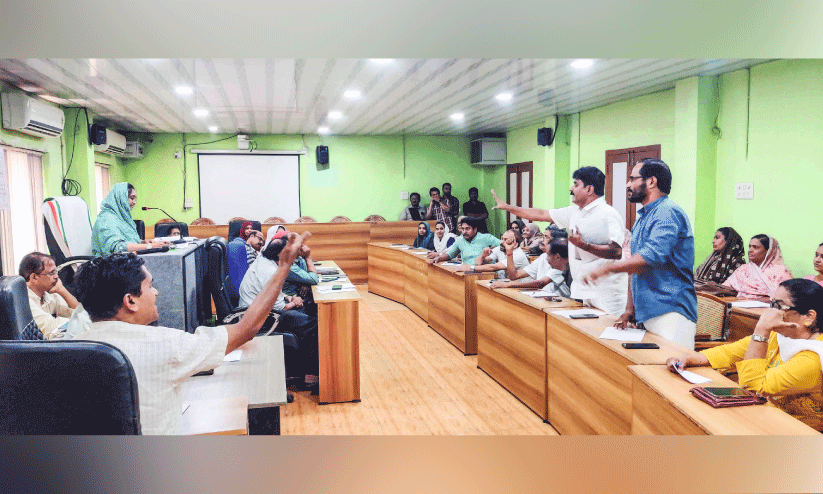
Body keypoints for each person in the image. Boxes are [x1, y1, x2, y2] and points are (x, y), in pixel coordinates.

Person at [70, 231, 309, 435]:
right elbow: (246, 329)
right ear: (130, 301)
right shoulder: (164, 345)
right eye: (150, 286)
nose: (156, 292)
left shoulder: (68, 348)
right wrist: (283, 267)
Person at [666, 278, 823, 432]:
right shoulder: (782, 336)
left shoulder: (814, 357)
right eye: (772, 304)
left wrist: (761, 330)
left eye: (779, 306)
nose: (770, 313)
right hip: (764, 416)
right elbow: (729, 352)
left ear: (809, 317)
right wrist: (687, 359)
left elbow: (753, 387)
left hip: (796, 431)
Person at [584, 158, 697, 349]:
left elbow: (649, 258)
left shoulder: (667, 212)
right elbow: (635, 267)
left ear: (651, 181)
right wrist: (629, 309)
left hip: (670, 312)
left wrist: (607, 268)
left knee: (672, 366)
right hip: (647, 312)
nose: (628, 185)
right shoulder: (643, 218)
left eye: (632, 179)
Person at [491, 166, 627, 315]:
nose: (571, 189)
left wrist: (583, 245)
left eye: (576, 184)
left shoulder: (608, 214)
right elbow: (540, 214)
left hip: (607, 292)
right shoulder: (575, 212)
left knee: (606, 328)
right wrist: (508, 207)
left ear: (589, 189)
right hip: (584, 289)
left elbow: (616, 252)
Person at [239, 236, 319, 389]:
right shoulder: (270, 271)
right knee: (312, 323)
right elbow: (279, 308)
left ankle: (298, 369)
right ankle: (310, 375)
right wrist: (294, 302)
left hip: (259, 311)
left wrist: (289, 297)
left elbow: (273, 294)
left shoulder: (265, 262)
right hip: (261, 319)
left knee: (307, 313)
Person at [91, 182, 168, 255]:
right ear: (121, 198)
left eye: (135, 199)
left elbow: (124, 241)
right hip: (108, 263)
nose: (134, 202)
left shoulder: (120, 217)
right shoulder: (106, 219)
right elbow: (118, 247)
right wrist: (150, 246)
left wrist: (143, 242)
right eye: (132, 198)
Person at [20, 252, 78, 339]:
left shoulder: (50, 293)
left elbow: (78, 313)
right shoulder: (23, 299)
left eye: (56, 271)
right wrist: (79, 321)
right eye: (51, 273)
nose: (56, 276)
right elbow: (49, 327)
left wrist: (62, 291)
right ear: (34, 278)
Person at [491, 237, 571, 297]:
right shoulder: (544, 257)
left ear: (557, 257)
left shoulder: (562, 264)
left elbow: (540, 283)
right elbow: (514, 276)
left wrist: (508, 285)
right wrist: (509, 252)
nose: (542, 240)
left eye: (546, 237)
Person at [724, 235, 793, 300]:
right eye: (750, 247)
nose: (750, 250)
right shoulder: (743, 269)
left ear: (768, 251)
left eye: (755, 247)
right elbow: (726, 286)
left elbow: (787, 297)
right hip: (738, 305)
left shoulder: (780, 271)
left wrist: (755, 300)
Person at [427, 217, 500, 265]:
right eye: (462, 229)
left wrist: (493, 249)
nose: (464, 232)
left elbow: (502, 244)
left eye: (468, 229)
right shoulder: (460, 240)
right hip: (466, 270)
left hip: (485, 271)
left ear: (475, 229)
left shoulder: (486, 237)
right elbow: (450, 254)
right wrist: (439, 258)